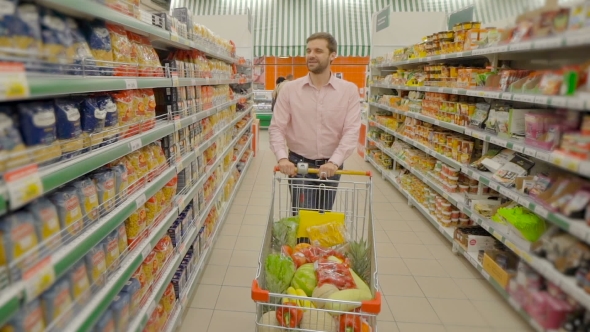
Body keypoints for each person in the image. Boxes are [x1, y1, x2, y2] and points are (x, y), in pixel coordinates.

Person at [269, 32, 361, 214]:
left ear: (332, 55)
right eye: (308, 50)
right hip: (298, 164)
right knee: (303, 220)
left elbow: (351, 131)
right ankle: (303, 243)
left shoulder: (348, 91)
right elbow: (277, 127)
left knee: (323, 220)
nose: (311, 55)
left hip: (331, 166)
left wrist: (334, 162)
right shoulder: (290, 90)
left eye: (318, 51)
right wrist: (282, 158)